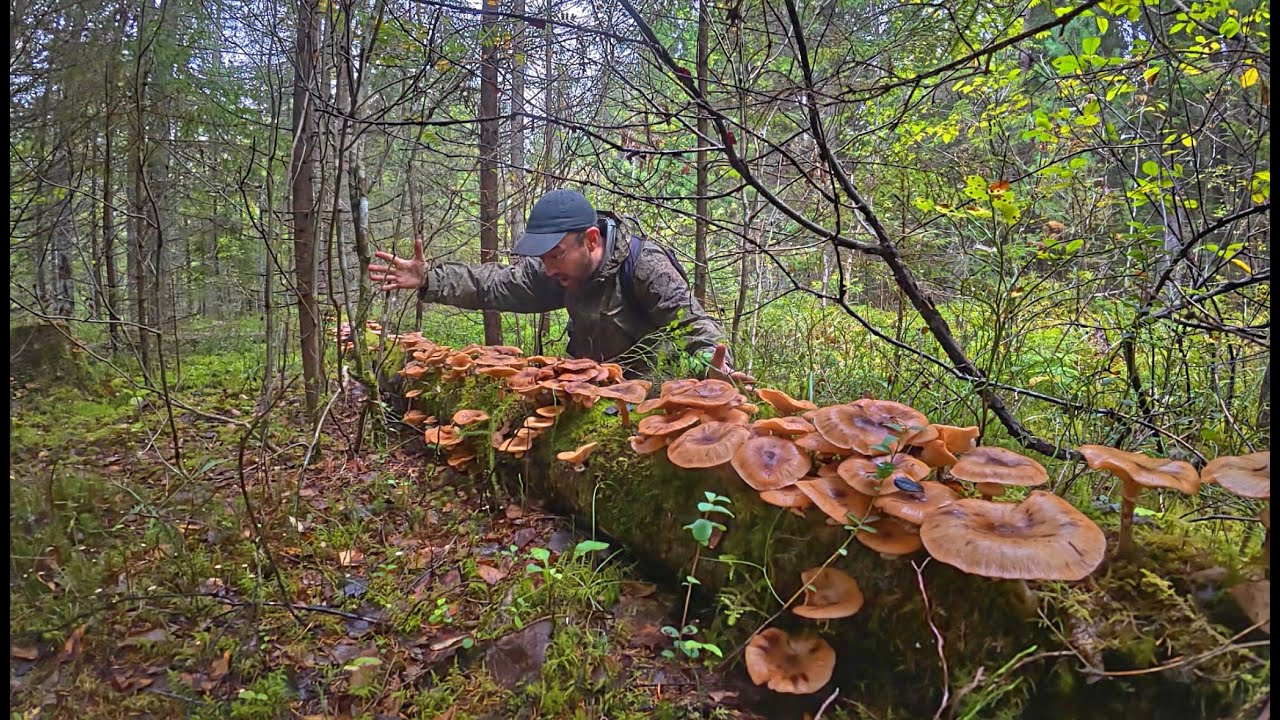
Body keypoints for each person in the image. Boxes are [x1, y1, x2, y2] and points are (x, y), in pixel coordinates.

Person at [368, 189, 753, 384]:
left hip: (650, 400)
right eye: (542, 257)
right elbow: (495, 284)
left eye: (554, 254)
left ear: (589, 240)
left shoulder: (644, 266)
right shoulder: (556, 270)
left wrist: (715, 370)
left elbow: (694, 326)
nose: (547, 267)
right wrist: (429, 279)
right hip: (587, 394)